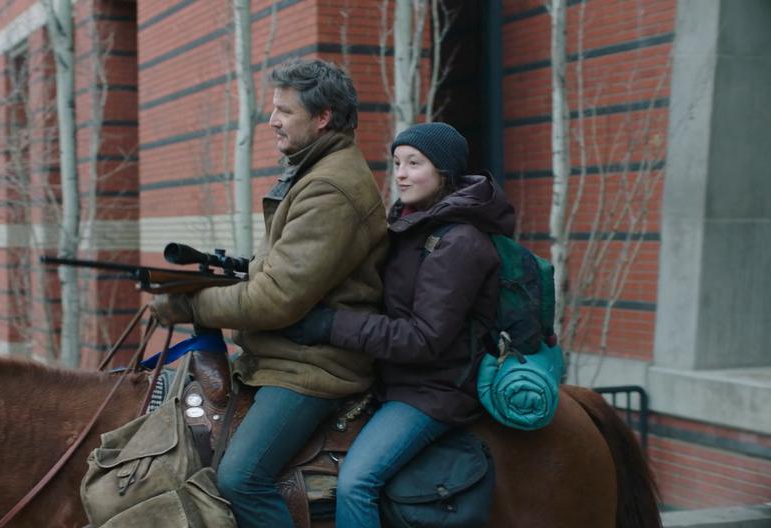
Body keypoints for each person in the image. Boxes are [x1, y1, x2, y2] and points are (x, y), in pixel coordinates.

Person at [148, 59, 388, 528]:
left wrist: (189, 304)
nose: (273, 121)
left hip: (314, 367)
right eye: (273, 109)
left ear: (323, 117)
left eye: (284, 111)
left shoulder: (331, 188)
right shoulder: (313, 171)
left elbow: (275, 298)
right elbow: (276, 274)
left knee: (241, 477)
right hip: (282, 353)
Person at [283, 122, 516, 526]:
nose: (402, 174)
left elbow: (423, 338)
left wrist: (330, 325)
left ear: (444, 172)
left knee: (356, 482)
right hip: (395, 380)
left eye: (414, 163)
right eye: (397, 163)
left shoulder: (459, 241)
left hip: (434, 391)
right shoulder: (411, 226)